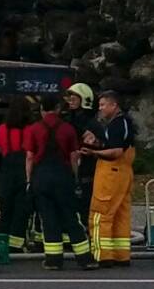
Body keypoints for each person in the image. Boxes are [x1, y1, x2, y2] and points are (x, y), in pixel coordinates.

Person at [26, 95, 99, 270]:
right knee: (70, 217)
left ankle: (53, 260)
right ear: (58, 109)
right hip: (62, 177)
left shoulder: (33, 129)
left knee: (48, 219)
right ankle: (85, 259)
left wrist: (29, 180)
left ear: (42, 110)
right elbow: (74, 156)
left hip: (41, 178)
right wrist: (74, 178)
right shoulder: (67, 129)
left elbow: (29, 157)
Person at [85, 91, 137, 266]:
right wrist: (98, 144)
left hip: (110, 173)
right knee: (120, 214)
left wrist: (93, 152)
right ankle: (121, 255)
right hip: (123, 174)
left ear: (114, 106)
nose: (100, 109)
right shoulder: (125, 123)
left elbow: (115, 151)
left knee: (100, 214)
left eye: (103, 105)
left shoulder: (116, 125)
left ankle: (103, 255)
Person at [0, 95, 35, 253]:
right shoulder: (30, 129)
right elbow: (31, 152)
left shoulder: (2, 128)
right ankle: (16, 245)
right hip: (23, 168)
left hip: (7, 169)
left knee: (6, 208)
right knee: (21, 209)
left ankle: (1, 242)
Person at [62, 83, 97, 226]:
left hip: (86, 171)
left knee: (85, 207)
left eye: (74, 98)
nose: (70, 100)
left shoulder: (91, 124)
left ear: (84, 100)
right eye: (69, 97)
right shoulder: (68, 120)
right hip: (70, 170)